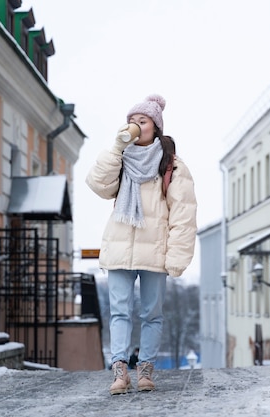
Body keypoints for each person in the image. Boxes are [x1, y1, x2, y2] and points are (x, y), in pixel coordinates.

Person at [85, 94, 197, 394]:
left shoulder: (171, 165)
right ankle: (120, 372)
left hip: (154, 250)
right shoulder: (120, 158)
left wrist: (177, 256)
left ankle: (145, 370)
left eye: (142, 121)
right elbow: (97, 183)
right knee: (120, 312)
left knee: (152, 313)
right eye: (132, 120)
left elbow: (183, 214)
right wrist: (117, 148)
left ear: (155, 127)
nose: (135, 125)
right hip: (120, 246)